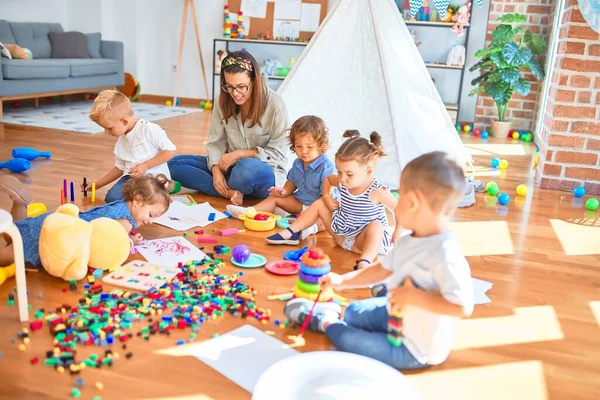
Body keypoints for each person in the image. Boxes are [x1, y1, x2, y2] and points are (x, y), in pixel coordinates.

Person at [283, 152, 475, 370]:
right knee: (354, 312)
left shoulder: (446, 254)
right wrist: (341, 281)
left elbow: (462, 306)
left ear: (412, 202)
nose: (395, 201)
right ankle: (349, 313)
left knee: (349, 340)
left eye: (399, 195)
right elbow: (381, 270)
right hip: (394, 315)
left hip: (413, 347)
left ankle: (326, 321)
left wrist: (413, 297)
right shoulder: (409, 241)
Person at [168, 50, 290, 205]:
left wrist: (240, 154)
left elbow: (278, 154)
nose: (235, 93)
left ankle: (222, 185)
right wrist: (216, 170)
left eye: (241, 86)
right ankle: (229, 192)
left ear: (254, 80)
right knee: (173, 164)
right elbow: (215, 142)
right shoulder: (222, 100)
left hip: (261, 172)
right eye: (229, 86)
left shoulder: (275, 105)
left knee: (245, 170)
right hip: (229, 166)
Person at [267, 130, 397, 270]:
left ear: (368, 171)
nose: (342, 178)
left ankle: (365, 262)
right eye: (339, 172)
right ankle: (290, 233)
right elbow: (328, 180)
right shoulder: (344, 181)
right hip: (342, 237)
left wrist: (398, 230)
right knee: (319, 203)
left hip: (363, 242)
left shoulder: (377, 191)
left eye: (349, 174)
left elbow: (401, 209)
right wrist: (327, 197)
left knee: (376, 225)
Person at [0, 174, 170, 267]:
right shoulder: (124, 222)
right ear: (138, 200)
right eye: (151, 215)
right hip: (61, 235)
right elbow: (114, 242)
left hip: (58, 220)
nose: (151, 221)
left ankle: (20, 204)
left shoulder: (119, 206)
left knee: (12, 234)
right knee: (9, 255)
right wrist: (131, 241)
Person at [225, 115, 334, 238]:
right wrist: (284, 191)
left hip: (318, 207)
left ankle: (310, 228)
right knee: (274, 198)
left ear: (320, 145)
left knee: (327, 218)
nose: (303, 151)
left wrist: (314, 212)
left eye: (309, 147)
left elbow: (326, 197)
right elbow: (292, 181)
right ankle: (250, 211)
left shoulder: (326, 167)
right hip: (300, 202)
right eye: (299, 146)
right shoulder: (298, 163)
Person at [84, 90, 177, 203]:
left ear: (124, 121)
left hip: (154, 179)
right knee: (112, 198)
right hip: (132, 179)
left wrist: (146, 165)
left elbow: (170, 151)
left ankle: (167, 186)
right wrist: (97, 185)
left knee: (152, 197)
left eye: (109, 128)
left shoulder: (149, 129)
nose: (107, 132)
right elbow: (120, 168)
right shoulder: (121, 142)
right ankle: (146, 196)